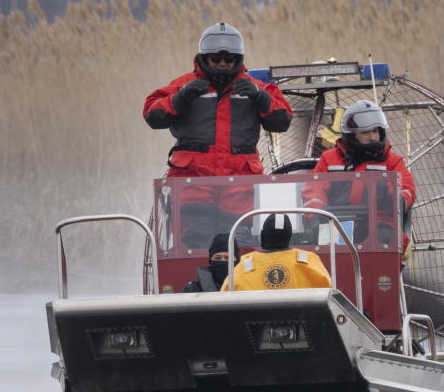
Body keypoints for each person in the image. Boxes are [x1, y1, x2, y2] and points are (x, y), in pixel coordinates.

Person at [143, 22, 293, 248]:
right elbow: (153, 115)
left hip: (239, 184)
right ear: (204, 58)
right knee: (193, 245)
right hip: (192, 183)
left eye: (229, 59)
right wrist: (180, 98)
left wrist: (260, 98)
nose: (223, 64)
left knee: (239, 244)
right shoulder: (183, 85)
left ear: (238, 59)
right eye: (216, 59)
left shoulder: (256, 87)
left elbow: (282, 120)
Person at [302, 100, 416, 248]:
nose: (373, 137)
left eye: (375, 131)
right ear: (351, 135)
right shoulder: (329, 159)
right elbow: (313, 189)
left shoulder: (392, 162)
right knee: (316, 242)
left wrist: (392, 198)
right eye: (365, 132)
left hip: (378, 225)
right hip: (336, 222)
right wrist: (316, 217)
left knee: (385, 238)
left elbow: (408, 190)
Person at [222, 214, 332, 291]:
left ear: (262, 236)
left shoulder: (246, 264)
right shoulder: (309, 260)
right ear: (289, 236)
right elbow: (328, 291)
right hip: (302, 321)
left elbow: (226, 296)